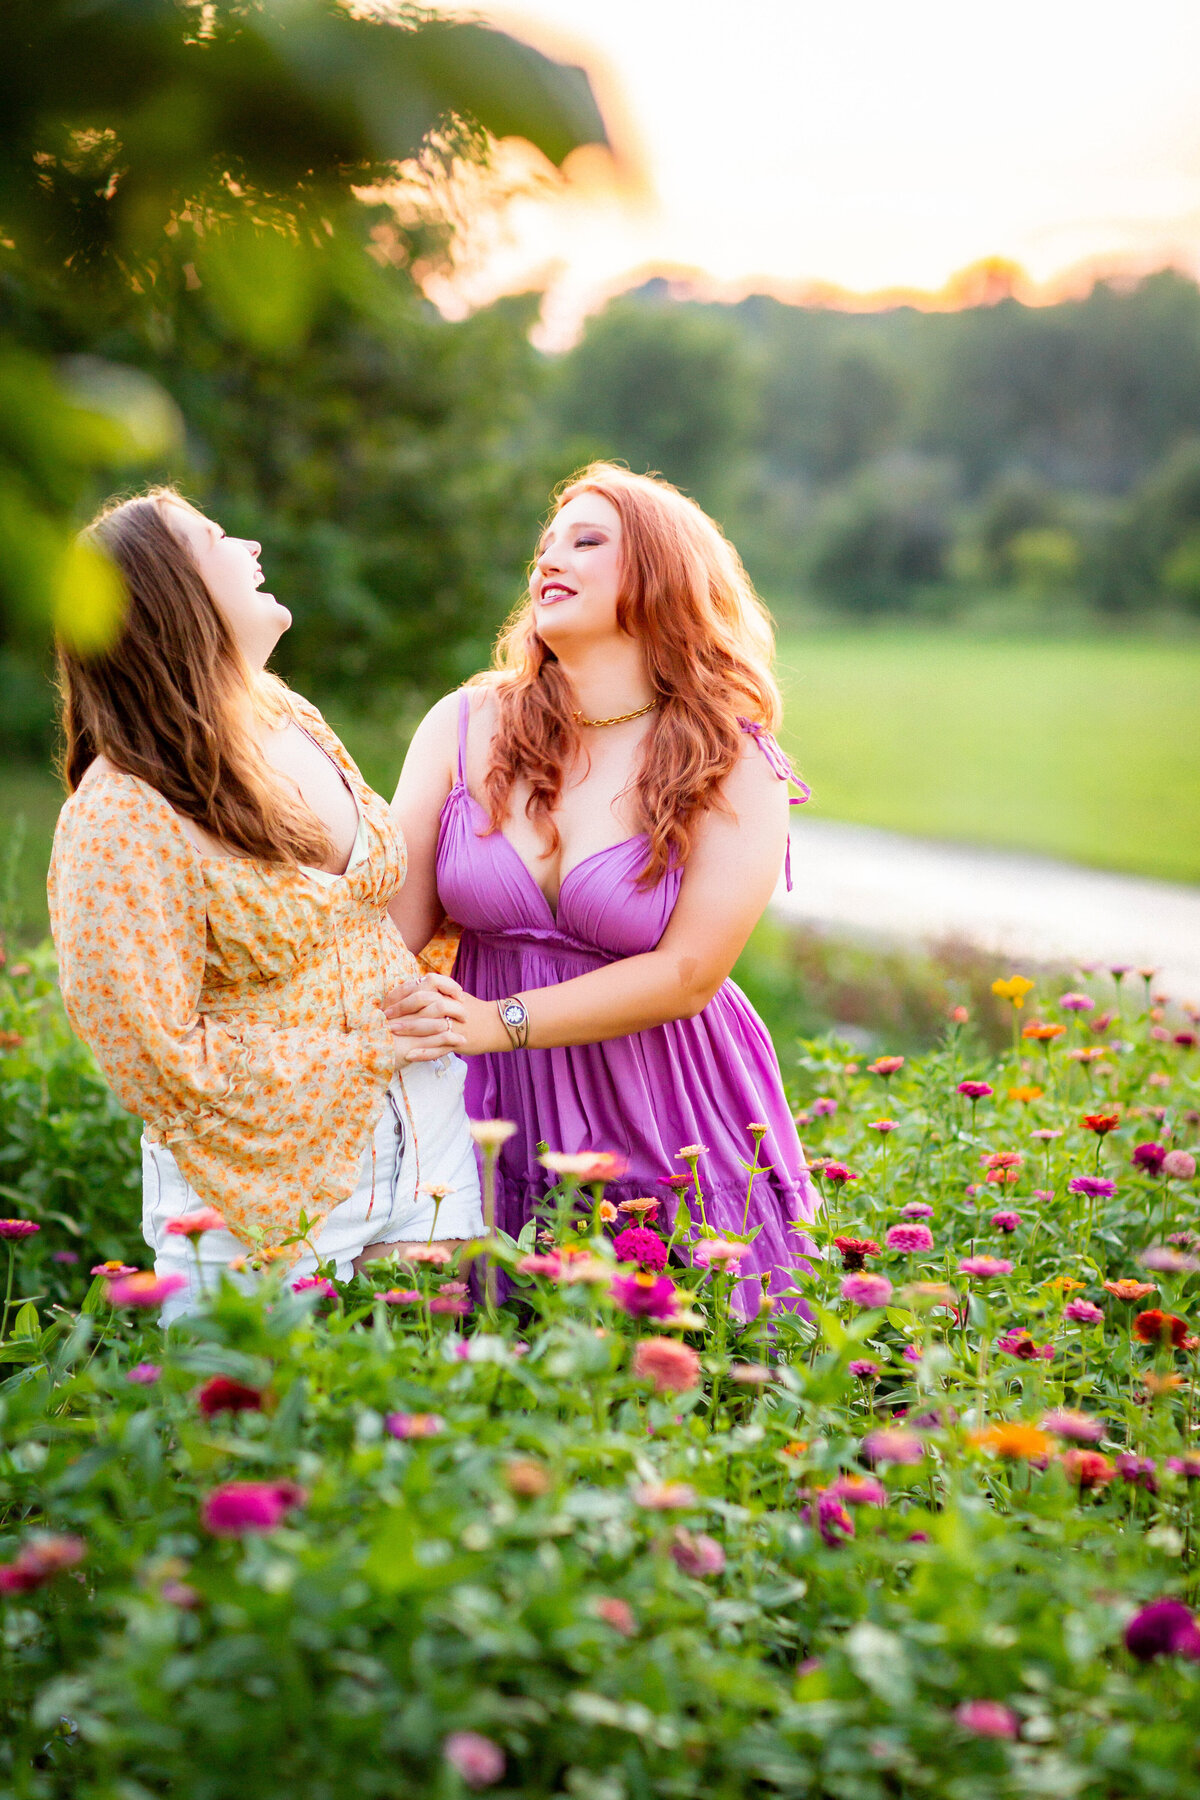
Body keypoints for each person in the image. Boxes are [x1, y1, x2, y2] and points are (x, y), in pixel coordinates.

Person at [388, 464, 817, 1314]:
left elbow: (691, 972)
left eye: (587, 542)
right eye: (547, 544)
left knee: (688, 1367)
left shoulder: (730, 757)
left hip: (664, 1097)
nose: (551, 559)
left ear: (661, 576)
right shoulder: (464, 723)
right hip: (488, 1102)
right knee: (487, 1359)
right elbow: (387, 927)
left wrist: (499, 1023)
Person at [48, 488, 481, 1322]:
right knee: (249, 1443)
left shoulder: (291, 716)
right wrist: (361, 1051)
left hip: (423, 1132)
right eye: (216, 538)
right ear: (168, 592)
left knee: (434, 1421)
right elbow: (153, 1059)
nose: (249, 544)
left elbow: (359, 918)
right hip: (259, 1189)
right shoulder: (120, 812)